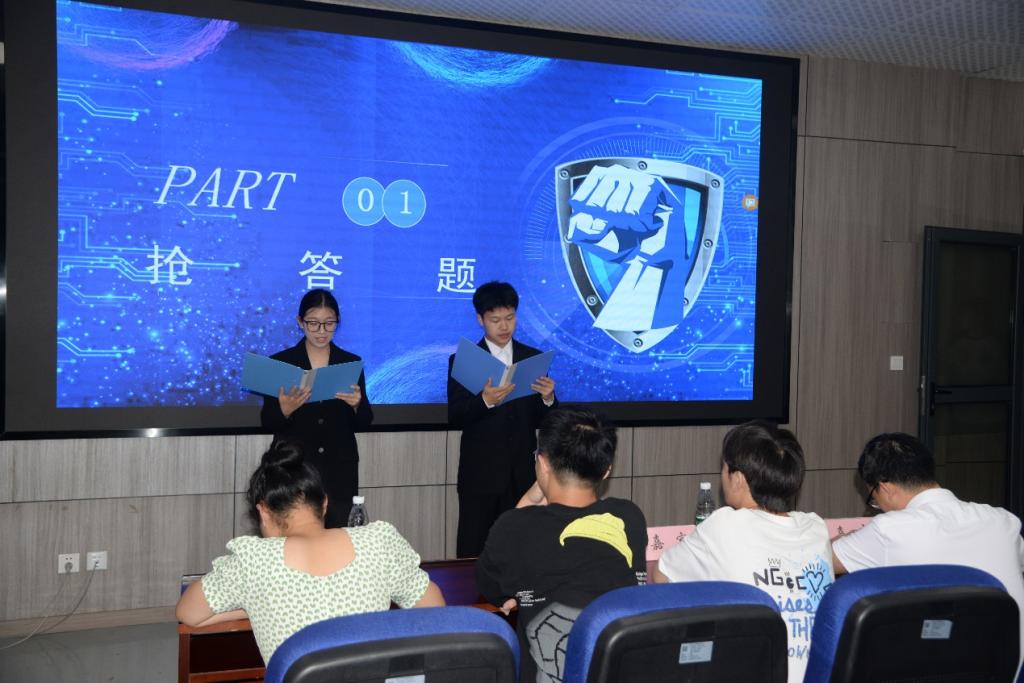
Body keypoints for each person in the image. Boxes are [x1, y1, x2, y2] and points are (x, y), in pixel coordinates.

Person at [176, 441, 445, 664]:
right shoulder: (379, 542)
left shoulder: (253, 560)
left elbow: (189, 613)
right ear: (324, 503)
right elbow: (434, 610)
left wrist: (252, 606)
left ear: (263, 511)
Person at [653, 421, 834, 683]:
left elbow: (662, 577)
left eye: (724, 468)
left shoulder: (725, 524)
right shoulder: (816, 528)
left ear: (737, 479)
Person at [476, 407, 648, 683]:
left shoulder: (515, 527)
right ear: (606, 470)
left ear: (543, 463)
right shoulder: (628, 517)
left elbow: (490, 586)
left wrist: (533, 495)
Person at [831, 432, 1024, 672]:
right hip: (1009, 670)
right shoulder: (1003, 521)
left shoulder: (890, 529)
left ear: (886, 488)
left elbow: (821, 558)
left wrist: (848, 536)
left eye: (874, 499)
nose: (878, 507)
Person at [448, 281, 556, 558]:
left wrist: (548, 398)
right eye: (495, 320)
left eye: (510, 318)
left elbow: (547, 420)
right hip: (480, 475)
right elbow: (455, 416)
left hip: (521, 473)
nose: (504, 326)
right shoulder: (463, 360)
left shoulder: (532, 358)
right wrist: (484, 401)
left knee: (522, 548)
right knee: (475, 547)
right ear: (480, 319)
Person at [261, 289, 373, 528]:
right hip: (294, 469)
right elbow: (268, 421)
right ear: (300, 322)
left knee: (338, 536)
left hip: (339, 470)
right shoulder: (281, 363)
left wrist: (357, 405)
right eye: (313, 323)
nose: (322, 331)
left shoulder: (350, 363)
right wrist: (285, 410)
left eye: (329, 323)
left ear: (337, 322)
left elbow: (365, 421)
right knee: (293, 535)